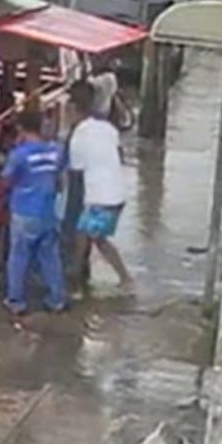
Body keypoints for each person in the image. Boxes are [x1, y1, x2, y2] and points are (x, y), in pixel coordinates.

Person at [67, 80, 134, 293]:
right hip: (116, 191)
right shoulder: (107, 128)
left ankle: (78, 279)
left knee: (91, 238)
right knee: (89, 235)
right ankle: (78, 274)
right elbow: (119, 154)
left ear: (73, 108)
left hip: (100, 196)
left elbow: (75, 171)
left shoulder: (78, 136)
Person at [0, 110, 66, 315]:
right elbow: (60, 181)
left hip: (24, 212)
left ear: (20, 129)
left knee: (19, 257)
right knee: (50, 257)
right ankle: (57, 300)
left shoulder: (19, 155)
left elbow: (5, 181)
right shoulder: (56, 150)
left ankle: (16, 301)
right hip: (48, 212)